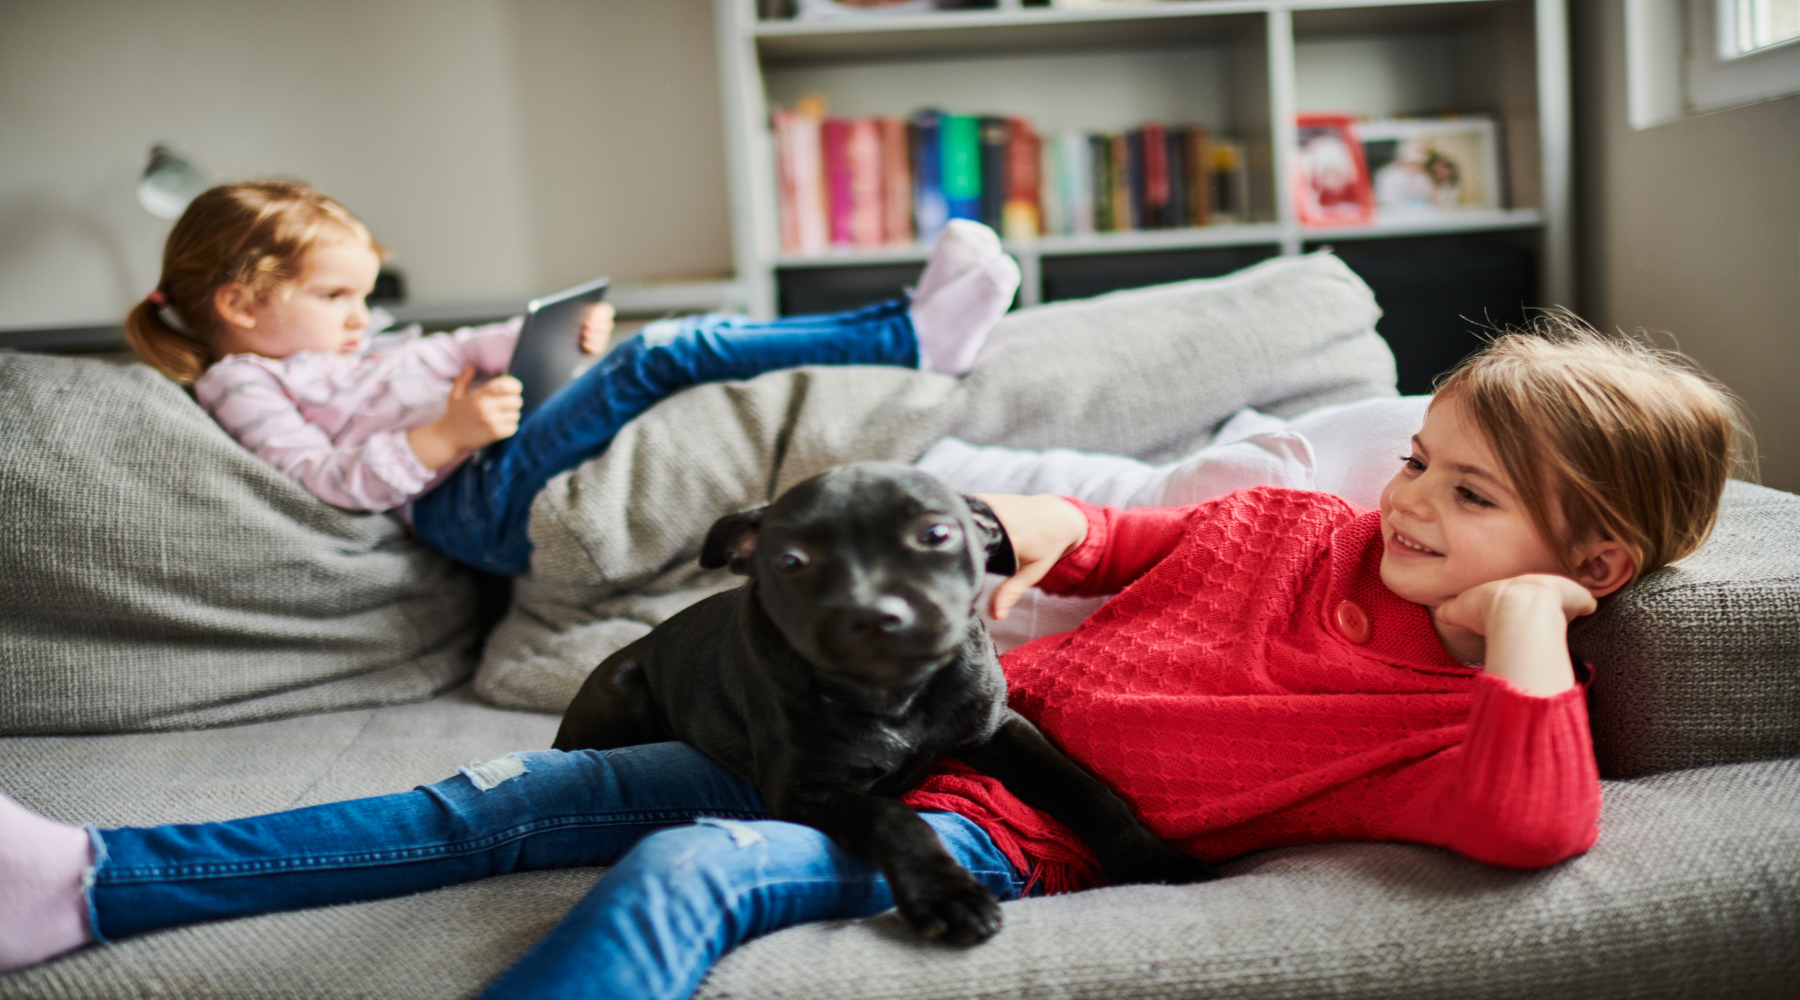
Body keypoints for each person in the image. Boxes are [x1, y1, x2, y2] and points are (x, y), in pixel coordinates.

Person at [0, 323, 1745, 998]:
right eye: (1420, 461)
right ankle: (90, 877)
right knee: (510, 799)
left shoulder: (1453, 713)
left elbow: (1538, 828)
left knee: (689, 871)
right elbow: (1161, 543)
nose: (1409, 504)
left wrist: (1522, 644)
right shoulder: (1307, 528)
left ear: (1589, 562)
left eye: (1471, 499)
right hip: (900, 719)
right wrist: (1046, 540)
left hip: (998, 822)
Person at [120, 180, 1021, 574]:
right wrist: (442, 437)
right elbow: (322, 480)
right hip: (468, 512)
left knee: (668, 343)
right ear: (241, 304)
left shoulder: (334, 353)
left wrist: (532, 335)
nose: (360, 315)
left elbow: (440, 352)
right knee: (662, 355)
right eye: (335, 295)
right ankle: (908, 336)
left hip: (479, 471)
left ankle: (903, 327)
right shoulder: (242, 384)